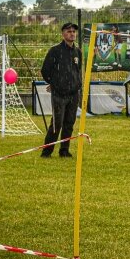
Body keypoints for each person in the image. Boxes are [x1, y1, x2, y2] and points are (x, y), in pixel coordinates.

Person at [40, 22, 82, 158]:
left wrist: (77, 84)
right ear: (63, 34)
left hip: (74, 94)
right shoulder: (55, 51)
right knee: (57, 123)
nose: (72, 34)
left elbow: (78, 70)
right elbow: (45, 70)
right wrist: (54, 83)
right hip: (59, 94)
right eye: (69, 31)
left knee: (69, 123)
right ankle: (47, 151)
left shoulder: (78, 52)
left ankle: (64, 150)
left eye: (74, 31)